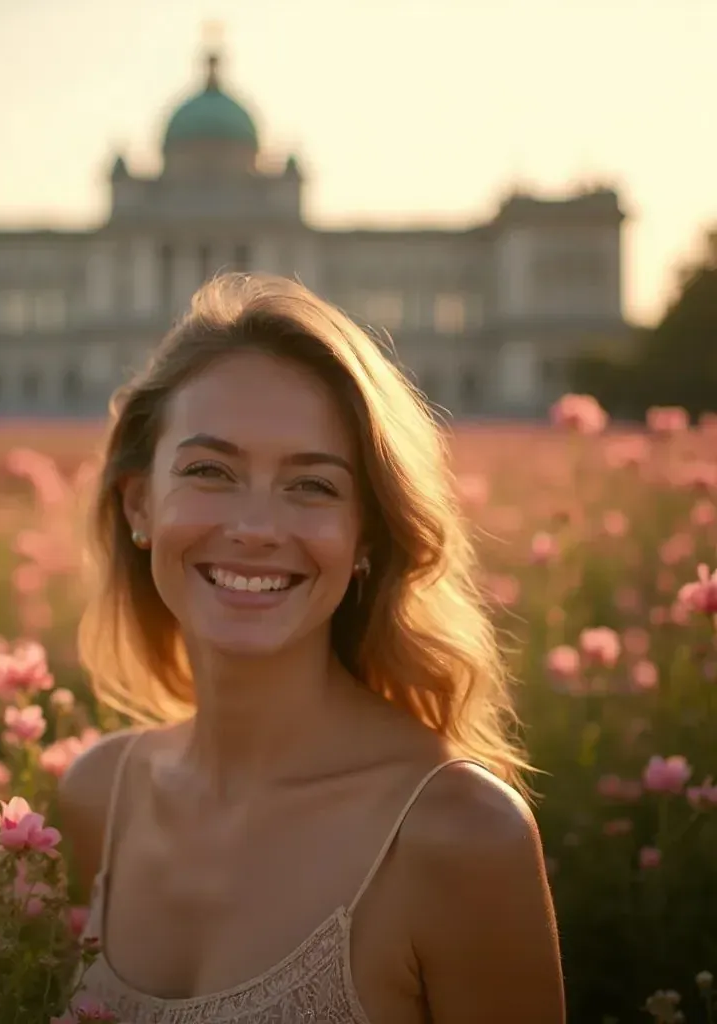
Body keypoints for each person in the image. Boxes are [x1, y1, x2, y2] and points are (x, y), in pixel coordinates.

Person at [58, 273, 565, 1024]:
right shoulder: (96, 797)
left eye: (313, 487)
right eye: (209, 471)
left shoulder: (460, 836)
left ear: (366, 533)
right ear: (139, 503)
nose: (257, 527)